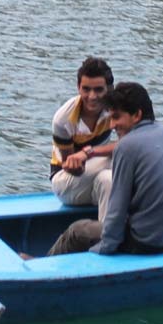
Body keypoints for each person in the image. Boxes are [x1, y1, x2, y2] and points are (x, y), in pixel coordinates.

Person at [47, 82, 163, 256]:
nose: (111, 125)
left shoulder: (126, 146)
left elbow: (117, 208)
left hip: (148, 241)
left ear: (137, 115)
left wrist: (107, 247)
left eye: (116, 117)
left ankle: (44, 269)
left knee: (76, 231)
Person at [50, 56, 116, 221]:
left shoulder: (115, 110)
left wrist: (89, 153)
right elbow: (70, 166)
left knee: (108, 179)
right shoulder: (63, 119)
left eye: (98, 90)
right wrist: (78, 160)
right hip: (66, 183)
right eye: (86, 89)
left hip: (95, 178)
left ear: (109, 89)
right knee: (124, 155)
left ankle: (108, 238)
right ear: (78, 88)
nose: (92, 96)